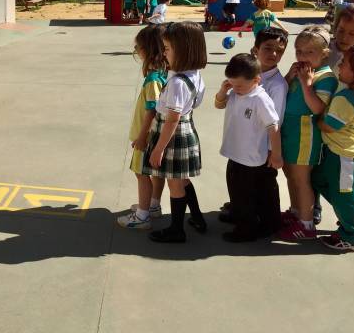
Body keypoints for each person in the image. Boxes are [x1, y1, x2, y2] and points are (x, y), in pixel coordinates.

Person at [143, 22, 208, 243]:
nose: (164, 53)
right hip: (185, 129)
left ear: (184, 50)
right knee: (182, 179)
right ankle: (197, 217)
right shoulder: (194, 74)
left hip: (172, 135)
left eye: (167, 48)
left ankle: (176, 230)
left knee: (175, 184)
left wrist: (158, 149)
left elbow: (172, 119)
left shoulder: (178, 83)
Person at [219, 28, 289, 227]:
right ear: (255, 49)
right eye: (268, 48)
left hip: (260, 149)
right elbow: (224, 102)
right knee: (240, 182)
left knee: (262, 186)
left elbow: (276, 120)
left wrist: (272, 152)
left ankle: (266, 223)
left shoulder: (276, 85)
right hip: (240, 144)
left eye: (279, 50)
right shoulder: (244, 74)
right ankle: (240, 210)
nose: (274, 53)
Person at [278, 26, 339, 241]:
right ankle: (296, 212)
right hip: (289, 132)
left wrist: (305, 83)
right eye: (299, 51)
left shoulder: (325, 77)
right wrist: (289, 77)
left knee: (302, 179)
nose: (302, 56)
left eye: (309, 52)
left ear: (324, 53)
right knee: (290, 175)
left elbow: (317, 108)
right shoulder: (302, 71)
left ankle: (306, 223)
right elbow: (283, 93)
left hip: (305, 136)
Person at [117, 25, 168, 229]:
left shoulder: (153, 80)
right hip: (155, 135)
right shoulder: (164, 73)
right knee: (155, 172)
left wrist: (142, 136)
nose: (136, 51)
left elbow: (152, 110)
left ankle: (142, 215)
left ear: (147, 50)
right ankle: (153, 205)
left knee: (141, 173)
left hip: (146, 136)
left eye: (137, 47)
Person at [312, 45, 354, 252]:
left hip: (344, 155)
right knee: (319, 180)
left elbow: (329, 126)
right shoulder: (352, 93)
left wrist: (317, 120)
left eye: (344, 63)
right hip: (339, 153)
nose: (339, 65)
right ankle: (352, 216)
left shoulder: (345, 98)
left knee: (345, 195)